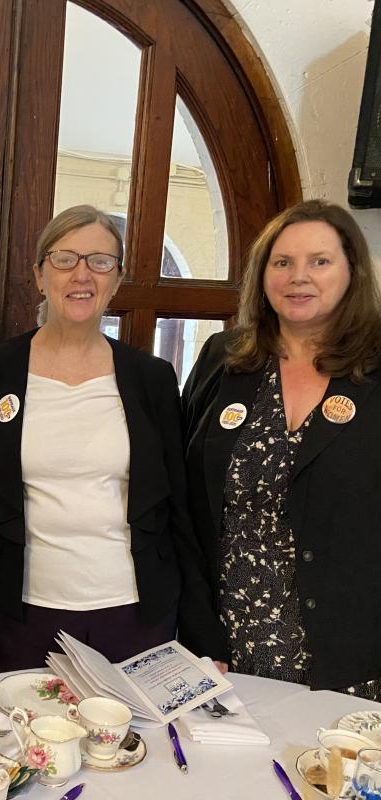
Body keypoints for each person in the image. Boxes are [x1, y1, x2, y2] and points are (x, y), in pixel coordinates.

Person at [0, 204, 217, 677]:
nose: (82, 274)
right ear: (38, 274)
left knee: (133, 748)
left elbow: (179, 511)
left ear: (116, 280)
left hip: (135, 614)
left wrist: (202, 631)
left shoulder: (151, 378)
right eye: (65, 258)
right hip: (25, 613)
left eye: (100, 261)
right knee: (33, 748)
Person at [183, 199, 381, 699]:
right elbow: (186, 502)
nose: (300, 277)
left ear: (352, 270)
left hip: (347, 652)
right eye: (283, 262)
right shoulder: (224, 360)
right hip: (226, 646)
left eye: (320, 261)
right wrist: (199, 626)